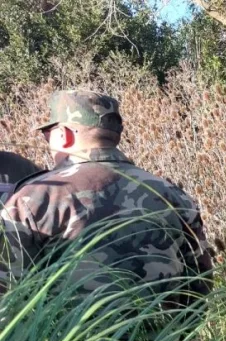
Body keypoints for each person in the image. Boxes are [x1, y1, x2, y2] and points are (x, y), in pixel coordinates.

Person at [0, 89, 214, 307]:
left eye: (48, 134)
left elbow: (7, 291)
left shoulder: (34, 198)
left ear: (65, 135)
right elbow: (200, 282)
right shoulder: (172, 194)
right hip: (164, 328)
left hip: (72, 329)